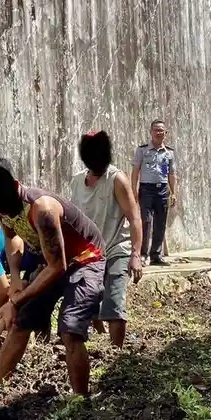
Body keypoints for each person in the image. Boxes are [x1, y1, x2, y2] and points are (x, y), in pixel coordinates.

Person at [0, 159, 105, 396]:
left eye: (4, 205)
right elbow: (11, 235)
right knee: (21, 320)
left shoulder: (42, 209)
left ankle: (81, 401)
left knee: (70, 329)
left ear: (15, 185)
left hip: (86, 259)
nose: (2, 211)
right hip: (51, 262)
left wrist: (13, 302)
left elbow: (57, 267)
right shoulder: (0, 205)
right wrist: (14, 280)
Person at [70, 131, 144, 347]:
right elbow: (74, 220)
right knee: (89, 301)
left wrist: (136, 255)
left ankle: (115, 352)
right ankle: (99, 337)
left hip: (116, 249)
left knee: (114, 303)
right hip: (89, 253)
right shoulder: (77, 182)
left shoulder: (116, 179)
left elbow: (135, 216)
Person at [131, 120, 177, 266]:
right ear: (151, 132)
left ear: (166, 133)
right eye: (156, 130)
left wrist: (173, 192)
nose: (159, 133)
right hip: (146, 189)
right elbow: (135, 171)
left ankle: (156, 255)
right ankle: (143, 254)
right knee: (146, 221)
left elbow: (170, 173)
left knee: (160, 223)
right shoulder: (142, 150)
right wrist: (133, 189)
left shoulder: (169, 153)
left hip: (163, 190)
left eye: (161, 130)